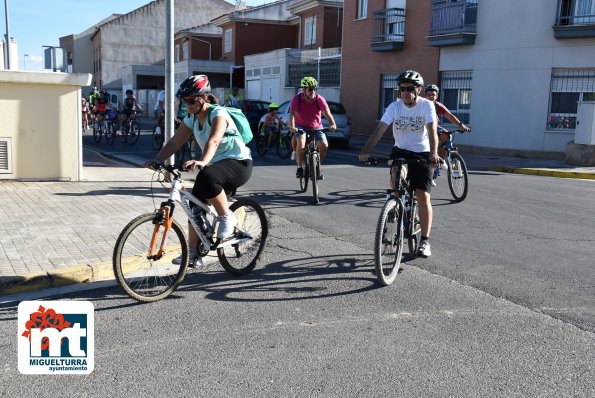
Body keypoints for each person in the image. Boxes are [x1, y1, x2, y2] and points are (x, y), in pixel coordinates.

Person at [143, 74, 253, 266]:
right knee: (194, 206)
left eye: (192, 100)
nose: (188, 105)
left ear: (203, 98)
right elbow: (175, 141)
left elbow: (214, 139)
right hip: (215, 165)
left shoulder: (218, 113)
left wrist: (202, 161)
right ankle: (193, 254)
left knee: (207, 175)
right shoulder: (191, 118)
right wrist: (157, 159)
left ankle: (227, 217)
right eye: (185, 101)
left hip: (238, 163)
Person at [358, 70, 439, 258]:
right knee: (396, 175)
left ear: (418, 90)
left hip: (422, 152)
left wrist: (434, 154)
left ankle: (425, 241)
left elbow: (432, 130)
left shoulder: (426, 106)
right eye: (402, 89)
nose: (405, 92)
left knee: (422, 196)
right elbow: (380, 130)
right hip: (401, 150)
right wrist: (365, 151)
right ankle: (394, 206)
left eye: (410, 89)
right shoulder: (394, 107)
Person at [289, 76, 336, 180]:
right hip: (300, 125)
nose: (312, 91)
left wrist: (332, 124)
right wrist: (292, 126)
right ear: (304, 90)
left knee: (324, 145)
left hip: (316, 126)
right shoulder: (297, 99)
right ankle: (300, 168)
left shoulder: (319, 99)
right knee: (301, 142)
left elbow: (327, 114)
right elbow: (292, 114)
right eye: (310, 89)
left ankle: (318, 166)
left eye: (314, 89)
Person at [423, 84, 471, 186]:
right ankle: (429, 175)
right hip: (422, 129)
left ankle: (441, 160)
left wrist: (461, 125)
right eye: (429, 94)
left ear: (436, 96)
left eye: (433, 95)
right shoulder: (421, 105)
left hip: (434, 127)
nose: (431, 96)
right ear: (425, 95)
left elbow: (449, 115)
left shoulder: (437, 105)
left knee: (447, 135)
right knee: (428, 152)